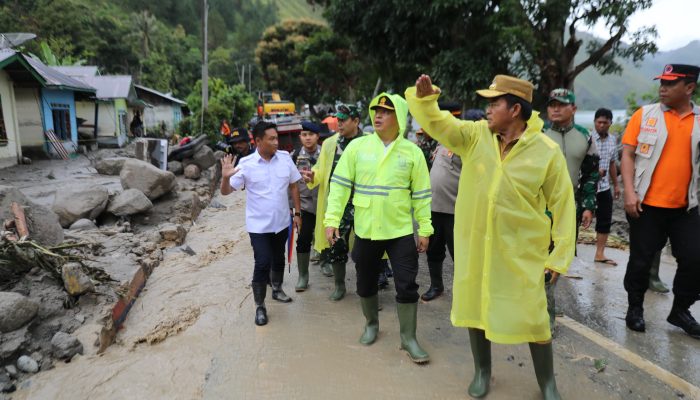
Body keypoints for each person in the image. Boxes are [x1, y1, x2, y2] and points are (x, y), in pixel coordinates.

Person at [407, 74, 575, 398]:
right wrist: (427, 101)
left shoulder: (546, 152)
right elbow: (439, 124)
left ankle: (548, 384)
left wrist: (559, 256)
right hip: (477, 244)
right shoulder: (474, 137)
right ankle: (482, 371)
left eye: (494, 103)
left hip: (521, 252)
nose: (487, 109)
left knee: (536, 317)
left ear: (514, 109)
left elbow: (564, 204)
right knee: (476, 307)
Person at [323, 93, 433, 363]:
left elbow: (421, 195)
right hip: (367, 229)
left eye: (387, 111)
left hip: (399, 231)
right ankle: (371, 324)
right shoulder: (358, 147)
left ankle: (408, 338)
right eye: (377, 110)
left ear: (400, 116)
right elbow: (339, 186)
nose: (379, 115)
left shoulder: (412, 152)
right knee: (365, 280)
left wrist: (426, 229)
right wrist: (331, 219)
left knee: (407, 284)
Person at [620, 63, 700, 339]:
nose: (662, 88)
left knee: (694, 259)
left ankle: (680, 310)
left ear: (689, 87)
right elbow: (628, 154)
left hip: (686, 208)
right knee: (641, 261)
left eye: (670, 83)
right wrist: (629, 191)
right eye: (661, 82)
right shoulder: (644, 115)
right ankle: (635, 309)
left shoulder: (699, 120)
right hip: (647, 204)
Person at [220, 121, 302, 326]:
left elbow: (293, 187)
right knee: (263, 261)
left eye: (277, 138)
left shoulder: (285, 159)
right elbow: (226, 191)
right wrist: (224, 178)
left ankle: (277, 289)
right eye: (272, 139)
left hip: (282, 222)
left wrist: (297, 213)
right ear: (258, 141)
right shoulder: (246, 164)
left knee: (279, 258)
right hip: (258, 226)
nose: (277, 142)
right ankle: (259, 306)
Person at [543, 88, 600, 332]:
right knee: (538, 257)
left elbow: (590, 173)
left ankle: (547, 302)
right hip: (538, 209)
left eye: (561, 104)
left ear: (573, 109)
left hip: (569, 210)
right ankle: (546, 315)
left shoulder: (585, 136)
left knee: (559, 257)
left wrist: (588, 206)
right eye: (552, 104)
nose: (555, 108)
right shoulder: (538, 133)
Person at [302, 104, 366, 301]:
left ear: (356, 121)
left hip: (364, 203)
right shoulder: (331, 143)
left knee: (366, 249)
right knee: (336, 245)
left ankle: (367, 291)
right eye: (338, 119)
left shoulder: (369, 143)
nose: (339, 123)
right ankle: (339, 285)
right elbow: (322, 170)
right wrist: (314, 175)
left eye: (344, 120)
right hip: (339, 204)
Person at [421, 106, 484, 302]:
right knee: (434, 250)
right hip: (434, 208)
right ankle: (436, 286)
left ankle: (465, 291)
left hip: (455, 210)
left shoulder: (469, 146)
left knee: (460, 253)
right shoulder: (440, 143)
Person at [291, 121, 321, 291]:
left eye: (311, 134)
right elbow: (290, 184)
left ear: (317, 136)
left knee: (328, 238)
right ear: (300, 137)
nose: (307, 138)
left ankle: (325, 262)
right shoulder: (294, 156)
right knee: (303, 240)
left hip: (325, 203)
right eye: (304, 135)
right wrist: (293, 210)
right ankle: (303, 276)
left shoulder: (327, 153)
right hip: (305, 205)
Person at [591, 108, 620, 266]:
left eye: (605, 122)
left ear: (610, 123)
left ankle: (600, 253)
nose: (601, 125)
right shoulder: (587, 137)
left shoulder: (612, 140)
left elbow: (612, 163)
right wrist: (594, 171)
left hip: (603, 187)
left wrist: (616, 185)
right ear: (594, 122)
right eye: (599, 122)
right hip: (586, 186)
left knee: (604, 219)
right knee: (575, 219)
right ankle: (568, 254)